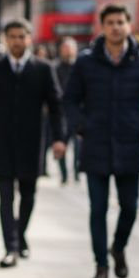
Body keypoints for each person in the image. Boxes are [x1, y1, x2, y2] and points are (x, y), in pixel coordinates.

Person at [63, 4, 139, 278]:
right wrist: (81, 125)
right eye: (110, 22)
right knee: (97, 210)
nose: (116, 27)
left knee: (130, 208)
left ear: (129, 25)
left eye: (121, 22)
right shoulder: (86, 62)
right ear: (102, 27)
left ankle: (118, 247)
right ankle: (101, 265)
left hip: (130, 145)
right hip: (95, 145)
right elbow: (70, 99)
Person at [0, 20, 66, 267]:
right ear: (6, 39)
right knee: (5, 198)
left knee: (29, 196)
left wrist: (60, 139)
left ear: (29, 39)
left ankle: (19, 236)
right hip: (2, 143)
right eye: (12, 36)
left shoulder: (44, 69)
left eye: (21, 36)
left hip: (32, 143)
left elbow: (55, 107)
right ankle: (10, 248)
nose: (17, 41)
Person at [53, 37, 82, 183]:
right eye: (65, 48)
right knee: (61, 144)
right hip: (62, 113)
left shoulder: (81, 67)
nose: (68, 51)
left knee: (78, 147)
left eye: (70, 48)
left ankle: (77, 173)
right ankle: (64, 175)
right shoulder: (55, 68)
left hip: (78, 113)